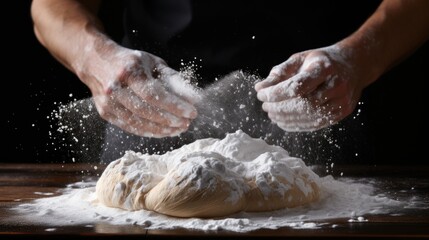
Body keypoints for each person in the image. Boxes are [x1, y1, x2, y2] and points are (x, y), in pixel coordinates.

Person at [30, 0, 429, 162]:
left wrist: (357, 58)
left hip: (323, 111)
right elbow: (50, 7)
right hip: (150, 123)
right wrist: (94, 57)